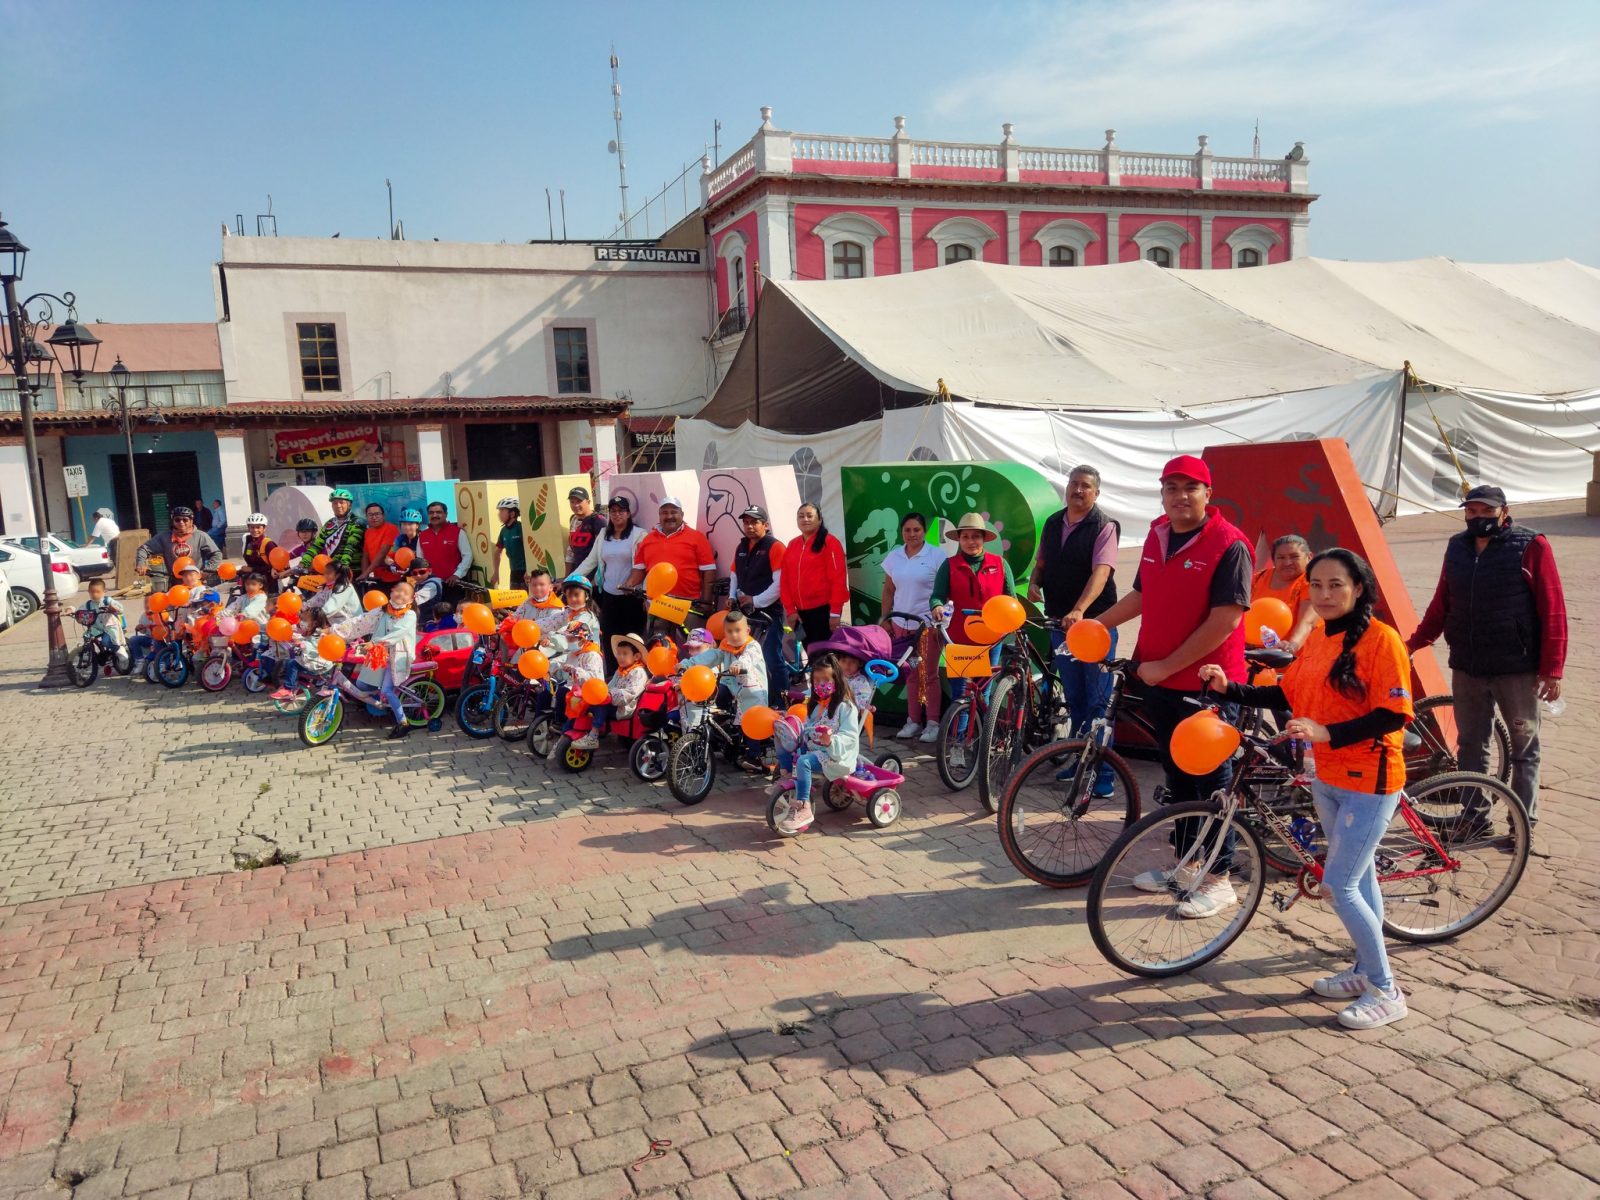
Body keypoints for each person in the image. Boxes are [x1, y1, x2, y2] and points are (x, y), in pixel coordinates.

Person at [1200, 548, 1415, 1029]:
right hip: (1329, 778)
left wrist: (1327, 733)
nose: (1324, 594)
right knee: (1360, 880)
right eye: (1316, 586)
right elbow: (1287, 692)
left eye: (1335, 585)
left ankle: (1387, 989)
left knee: (1339, 884)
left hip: (1371, 780)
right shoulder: (1319, 637)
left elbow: (1394, 713)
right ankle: (1364, 970)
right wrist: (1228, 689)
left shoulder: (1383, 641)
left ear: (1358, 588)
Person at [1095, 454, 1253, 919]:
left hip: (1207, 683)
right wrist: (1091, 625)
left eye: (1191, 488)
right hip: (1160, 677)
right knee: (1178, 775)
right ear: (1162, 493)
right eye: (1172, 488)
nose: (1181, 496)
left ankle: (1221, 877)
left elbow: (1225, 620)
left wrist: (1166, 666)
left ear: (1208, 494)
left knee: (1211, 779)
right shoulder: (1158, 534)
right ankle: (1188, 864)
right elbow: (1142, 596)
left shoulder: (1230, 544)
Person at [1405, 484, 1566, 824]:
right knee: (1471, 747)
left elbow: (1553, 609)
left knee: (1524, 748)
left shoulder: (1531, 545)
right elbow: (1442, 603)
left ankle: (1523, 825)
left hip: (1517, 668)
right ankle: (1473, 818)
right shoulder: (1457, 547)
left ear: (1504, 511)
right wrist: (1415, 643)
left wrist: (1552, 668)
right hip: (1468, 666)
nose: (1478, 517)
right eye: (1471, 511)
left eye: (1486, 511)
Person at [930, 514, 1017, 758]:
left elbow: (1011, 600)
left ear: (984, 539)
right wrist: (936, 606)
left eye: (975, 536)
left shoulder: (1000, 564)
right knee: (962, 694)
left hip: (991, 639)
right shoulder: (949, 565)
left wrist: (1009, 621)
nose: (971, 541)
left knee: (984, 693)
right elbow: (937, 595)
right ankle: (959, 745)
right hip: (958, 639)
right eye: (965, 537)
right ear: (958, 539)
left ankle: (983, 740)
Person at [771, 655, 861, 836]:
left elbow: (850, 736)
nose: (821, 684)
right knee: (782, 738)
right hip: (814, 748)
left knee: (803, 761)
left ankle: (804, 807)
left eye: (826, 680)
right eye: (817, 680)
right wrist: (788, 722)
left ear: (836, 679)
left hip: (834, 755)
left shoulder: (845, 707)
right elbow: (807, 727)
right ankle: (786, 774)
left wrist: (831, 739)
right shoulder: (816, 705)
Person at [880, 512, 945, 743]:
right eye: (907, 530)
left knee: (930, 675)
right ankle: (913, 721)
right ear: (902, 533)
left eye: (916, 530)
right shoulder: (895, 556)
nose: (912, 534)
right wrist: (885, 618)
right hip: (900, 626)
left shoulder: (937, 556)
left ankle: (933, 723)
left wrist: (939, 620)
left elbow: (943, 592)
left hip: (928, 627)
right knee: (911, 674)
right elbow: (888, 590)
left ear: (924, 531)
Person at [682, 608, 769, 772]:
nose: (734, 635)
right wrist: (687, 664)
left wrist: (738, 665)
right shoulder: (725, 647)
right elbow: (709, 657)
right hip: (732, 686)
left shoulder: (753, 646)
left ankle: (754, 757)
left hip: (753, 691)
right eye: (729, 631)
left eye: (738, 630)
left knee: (750, 721)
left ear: (747, 630)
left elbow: (747, 659)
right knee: (714, 694)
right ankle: (721, 730)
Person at [333, 578, 420, 739]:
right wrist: (335, 631)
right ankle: (379, 705)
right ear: (391, 592)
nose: (400, 594)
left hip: (397, 657)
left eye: (405, 593)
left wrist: (374, 642)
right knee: (361, 684)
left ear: (411, 599)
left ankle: (403, 723)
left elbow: (397, 634)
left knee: (387, 690)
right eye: (398, 590)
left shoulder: (410, 615)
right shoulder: (382, 611)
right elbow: (360, 622)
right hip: (378, 655)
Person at [574, 495, 648, 672]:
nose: (617, 515)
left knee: (632, 640)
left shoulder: (639, 535)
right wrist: (571, 579)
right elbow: (590, 561)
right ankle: (614, 677)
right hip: (608, 597)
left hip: (632, 598)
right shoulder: (603, 535)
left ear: (628, 514)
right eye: (613, 511)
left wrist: (637, 588)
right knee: (609, 639)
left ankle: (634, 678)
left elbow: (643, 566)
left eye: (621, 511)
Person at [627, 496, 717, 637]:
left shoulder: (697, 538)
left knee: (694, 649)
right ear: (659, 516)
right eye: (664, 512)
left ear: (682, 514)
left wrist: (706, 602)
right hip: (658, 605)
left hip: (689, 605)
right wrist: (629, 584)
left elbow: (709, 571)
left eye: (673, 512)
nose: (669, 516)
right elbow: (639, 568)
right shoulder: (648, 540)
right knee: (659, 646)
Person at [727, 505, 787, 700]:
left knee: (771, 658)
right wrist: (731, 596)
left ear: (765, 525)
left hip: (769, 614)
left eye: (755, 522)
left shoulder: (775, 546)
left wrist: (756, 600)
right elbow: (734, 573)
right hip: (746, 615)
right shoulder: (741, 546)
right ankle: (752, 699)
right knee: (746, 658)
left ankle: (781, 701)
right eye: (746, 522)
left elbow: (780, 583)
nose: (750, 526)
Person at [780, 503, 848, 646]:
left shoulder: (830, 543)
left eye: (810, 516)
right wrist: (790, 610)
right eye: (801, 516)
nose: (805, 519)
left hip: (824, 611)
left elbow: (838, 580)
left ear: (819, 520)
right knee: (812, 654)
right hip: (801, 613)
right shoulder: (792, 544)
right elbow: (784, 580)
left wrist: (835, 613)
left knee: (825, 657)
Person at [577, 632, 650, 749]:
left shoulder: (639, 673)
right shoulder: (620, 670)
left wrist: (610, 696)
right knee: (588, 703)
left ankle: (593, 736)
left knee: (602, 705)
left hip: (624, 708)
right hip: (613, 701)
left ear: (636, 656)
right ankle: (582, 729)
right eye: (619, 653)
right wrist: (601, 692)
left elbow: (631, 693)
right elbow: (610, 685)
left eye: (625, 654)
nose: (620, 657)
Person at [1251, 534, 1320, 652]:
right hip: (1256, 657)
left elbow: (1308, 622)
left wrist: (1291, 647)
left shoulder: (1313, 582)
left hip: (1295, 657)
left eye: (1294, 557)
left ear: (1309, 557)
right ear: (1273, 560)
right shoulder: (1258, 578)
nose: (1287, 562)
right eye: (1281, 558)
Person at [135, 507, 222, 587]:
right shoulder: (163, 537)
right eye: (177, 520)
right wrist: (141, 564)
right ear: (173, 521)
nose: (181, 522)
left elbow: (216, 554)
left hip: (196, 583)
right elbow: (143, 549)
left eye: (185, 520)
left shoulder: (201, 536)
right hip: (175, 583)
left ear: (191, 521)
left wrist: (207, 571)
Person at [299, 489, 364, 576]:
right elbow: (317, 545)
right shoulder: (329, 524)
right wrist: (303, 563)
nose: (338, 505)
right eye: (335, 503)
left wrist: (343, 566)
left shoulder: (357, 522)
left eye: (342, 502)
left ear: (349, 505)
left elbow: (350, 547)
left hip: (351, 572)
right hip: (334, 572)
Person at [420, 502, 472, 599]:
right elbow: (420, 560)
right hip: (431, 585)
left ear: (446, 514)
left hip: (452, 584)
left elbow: (467, 556)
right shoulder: (422, 535)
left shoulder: (457, 532)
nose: (434, 515)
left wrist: (457, 575)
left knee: (451, 613)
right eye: (431, 513)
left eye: (438, 512)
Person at [78, 577, 129, 671]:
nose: (94, 594)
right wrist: (71, 611)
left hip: (110, 627)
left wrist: (114, 609)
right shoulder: (88, 604)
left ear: (104, 591)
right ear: (88, 591)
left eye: (98, 592)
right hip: (96, 627)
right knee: (87, 637)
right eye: (92, 592)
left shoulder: (107, 600)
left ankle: (119, 649)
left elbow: (120, 608)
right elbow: (80, 610)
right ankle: (92, 654)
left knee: (106, 641)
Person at [361, 502, 404, 591]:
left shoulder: (391, 528)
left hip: (393, 578)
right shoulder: (368, 532)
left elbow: (381, 555)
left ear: (383, 515)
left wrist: (365, 574)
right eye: (370, 514)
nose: (374, 517)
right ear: (366, 516)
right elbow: (365, 556)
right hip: (376, 579)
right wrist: (364, 575)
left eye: (377, 514)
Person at [566, 486, 607, 575]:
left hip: (593, 576)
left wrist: (596, 580)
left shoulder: (598, 521)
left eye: (579, 501)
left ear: (588, 502)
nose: (575, 505)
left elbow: (600, 553)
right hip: (577, 575)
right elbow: (570, 552)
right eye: (572, 502)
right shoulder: (573, 519)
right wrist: (567, 577)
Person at [488, 497, 527, 589]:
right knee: (515, 602)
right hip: (513, 572)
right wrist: (496, 572)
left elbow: (529, 550)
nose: (499, 514)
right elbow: (498, 552)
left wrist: (529, 570)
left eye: (502, 511)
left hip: (526, 572)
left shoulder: (521, 528)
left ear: (512, 513)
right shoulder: (503, 531)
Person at [241, 514, 280, 581]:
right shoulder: (248, 542)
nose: (255, 530)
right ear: (248, 528)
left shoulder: (269, 544)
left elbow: (275, 567)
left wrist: (252, 569)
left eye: (258, 527)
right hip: (252, 579)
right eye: (252, 527)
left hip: (267, 581)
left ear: (264, 528)